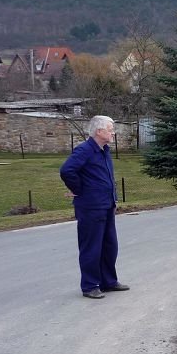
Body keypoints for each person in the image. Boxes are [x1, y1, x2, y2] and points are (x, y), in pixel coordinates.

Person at [59, 115, 130, 299]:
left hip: (106, 205)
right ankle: (90, 286)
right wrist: (78, 189)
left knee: (109, 245)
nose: (113, 132)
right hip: (90, 207)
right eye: (110, 129)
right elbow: (67, 170)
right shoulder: (85, 150)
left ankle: (108, 281)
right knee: (91, 247)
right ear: (99, 131)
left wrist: (113, 200)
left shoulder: (104, 150)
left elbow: (106, 178)